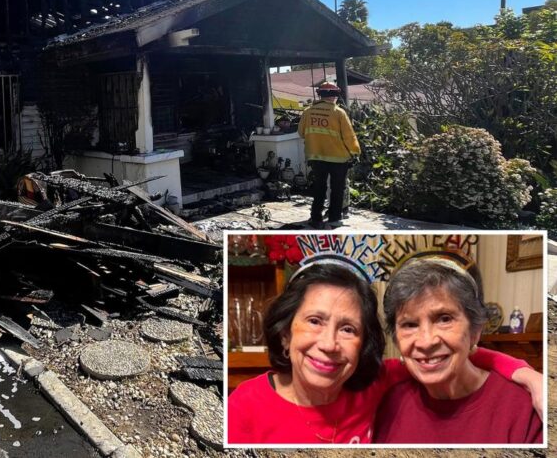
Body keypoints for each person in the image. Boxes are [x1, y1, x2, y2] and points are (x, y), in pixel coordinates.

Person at [226, 261, 542, 445]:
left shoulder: (375, 384)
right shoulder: (244, 407)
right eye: (314, 321)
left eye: (348, 329)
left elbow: (458, 358)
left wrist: (526, 374)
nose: (329, 344)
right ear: (285, 333)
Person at [373, 257, 543, 443]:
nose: (426, 342)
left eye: (444, 319)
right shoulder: (387, 403)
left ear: (475, 331)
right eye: (410, 324)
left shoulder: (525, 409)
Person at [297, 81, 360, 229]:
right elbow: (349, 137)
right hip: (338, 158)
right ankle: (334, 218)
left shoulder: (308, 112)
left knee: (319, 187)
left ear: (320, 95)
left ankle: (315, 217)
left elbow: (301, 133)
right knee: (337, 189)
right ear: (335, 96)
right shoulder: (339, 113)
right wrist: (355, 152)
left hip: (316, 157)